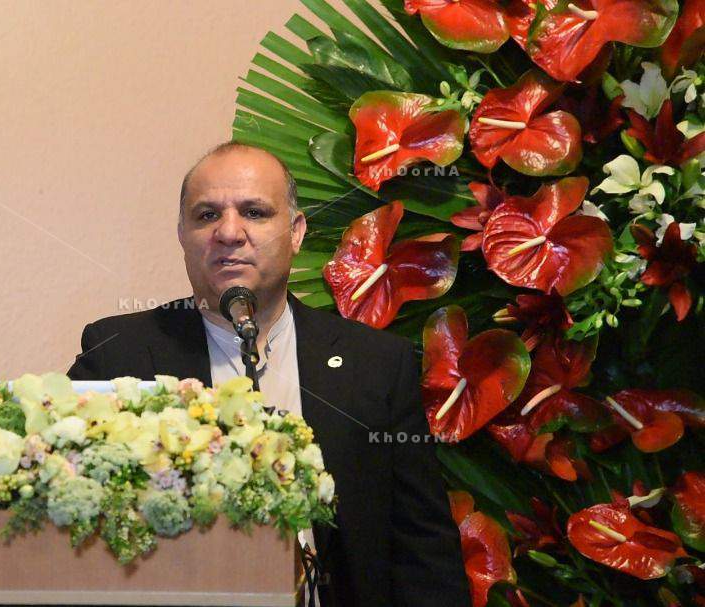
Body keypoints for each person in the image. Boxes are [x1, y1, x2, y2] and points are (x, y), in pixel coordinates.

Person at [67, 142, 470, 606]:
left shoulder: (376, 364)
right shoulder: (118, 355)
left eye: (254, 212)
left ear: (296, 232)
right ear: (182, 235)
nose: (228, 232)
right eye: (206, 216)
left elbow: (424, 554)